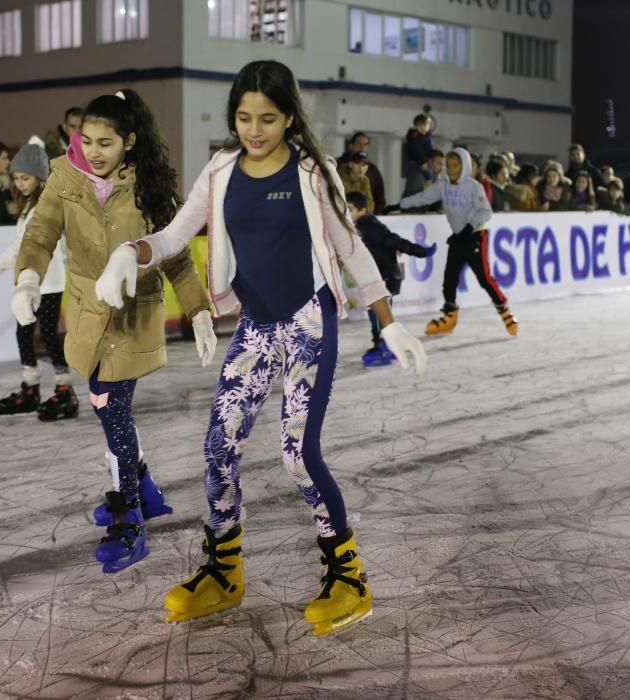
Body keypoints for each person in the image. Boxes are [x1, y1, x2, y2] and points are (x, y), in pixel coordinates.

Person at [94, 60, 426, 636]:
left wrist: (388, 322)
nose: (254, 129)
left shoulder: (312, 173)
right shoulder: (221, 170)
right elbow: (175, 235)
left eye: (267, 118)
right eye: (244, 117)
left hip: (307, 322)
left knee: (299, 454)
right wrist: (132, 251)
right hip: (257, 326)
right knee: (218, 446)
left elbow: (352, 249)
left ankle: (347, 574)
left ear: (289, 117)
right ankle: (224, 569)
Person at [13, 89, 216, 574]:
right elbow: (40, 233)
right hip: (85, 313)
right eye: (86, 140)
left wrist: (199, 312)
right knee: (106, 408)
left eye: (106, 142)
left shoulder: (149, 187)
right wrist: (26, 278)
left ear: (129, 141)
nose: (94, 151)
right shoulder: (64, 174)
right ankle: (143, 487)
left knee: (112, 407)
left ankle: (131, 516)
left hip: (130, 317)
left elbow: (177, 256)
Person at [0, 137, 76, 420]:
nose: (19, 183)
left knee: (50, 335)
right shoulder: (27, 208)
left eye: (25, 178)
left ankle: (65, 389)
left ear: (40, 178)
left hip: (49, 283)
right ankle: (31, 387)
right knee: (24, 333)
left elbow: (64, 246)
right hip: (26, 285)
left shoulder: (49, 208)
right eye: (15, 178)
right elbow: (18, 248)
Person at [393, 148, 518, 337]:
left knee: (484, 279)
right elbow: (423, 197)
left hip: (476, 236)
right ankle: (449, 316)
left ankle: (504, 310)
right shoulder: (442, 185)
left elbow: (486, 212)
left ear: (465, 165)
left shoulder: (474, 186)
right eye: (448, 166)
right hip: (458, 238)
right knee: (449, 279)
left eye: (456, 166)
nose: (451, 170)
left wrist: (468, 228)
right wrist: (400, 205)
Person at [346, 191, 436, 367]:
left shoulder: (369, 226)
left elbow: (394, 241)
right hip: (379, 279)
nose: (347, 214)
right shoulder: (363, 226)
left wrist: (422, 251)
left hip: (385, 279)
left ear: (362, 210)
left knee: (378, 315)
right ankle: (384, 345)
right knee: (375, 314)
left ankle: (384, 348)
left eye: (350, 209)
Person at [340, 132, 385, 215]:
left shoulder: (372, 172)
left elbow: (377, 200)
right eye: (358, 143)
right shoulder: (337, 169)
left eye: (365, 144)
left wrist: (374, 217)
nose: (362, 147)